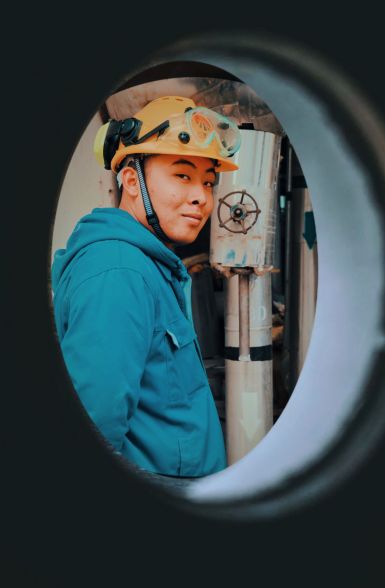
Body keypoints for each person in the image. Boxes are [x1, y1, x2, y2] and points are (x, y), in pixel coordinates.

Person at [51, 95, 241, 477]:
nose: (201, 197)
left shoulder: (148, 264)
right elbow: (96, 423)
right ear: (130, 180)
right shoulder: (118, 271)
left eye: (208, 182)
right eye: (183, 176)